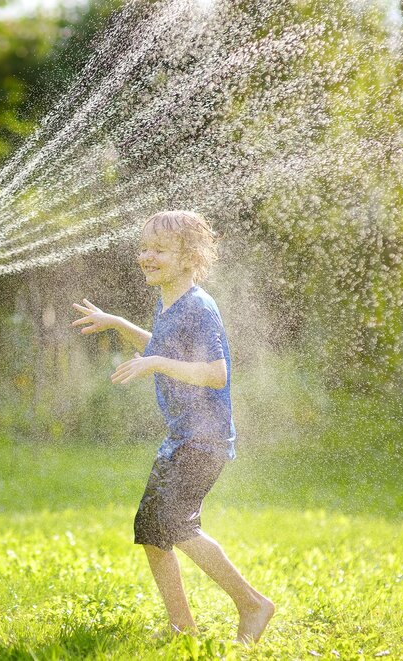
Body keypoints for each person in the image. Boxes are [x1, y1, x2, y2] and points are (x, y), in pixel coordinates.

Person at [71, 210, 274, 643]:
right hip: (182, 437)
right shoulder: (169, 302)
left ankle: (253, 604)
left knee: (177, 526)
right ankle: (182, 627)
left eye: (159, 250)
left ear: (189, 258)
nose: (147, 256)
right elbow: (163, 346)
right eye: (143, 248)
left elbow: (217, 373)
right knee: (151, 530)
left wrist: (156, 363)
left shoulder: (199, 307)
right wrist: (119, 324)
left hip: (205, 439)